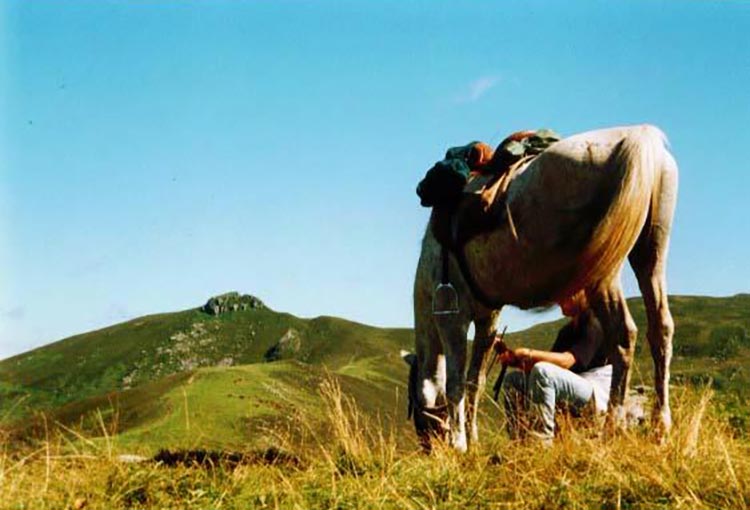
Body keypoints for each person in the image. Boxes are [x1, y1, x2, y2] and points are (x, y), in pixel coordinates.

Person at [498, 294, 612, 445]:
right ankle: (520, 442)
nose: (559, 300)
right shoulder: (566, 332)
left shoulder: (595, 323)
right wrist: (514, 360)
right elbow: (546, 371)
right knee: (512, 381)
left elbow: (566, 361)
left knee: (543, 371)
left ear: (583, 292)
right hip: (574, 389)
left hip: (595, 394)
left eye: (567, 293)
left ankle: (542, 443)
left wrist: (528, 353)